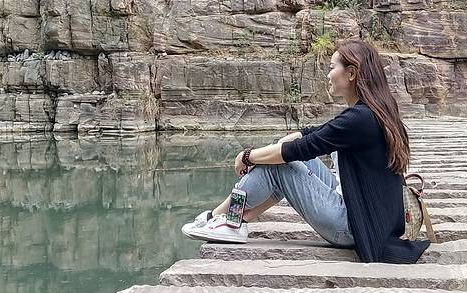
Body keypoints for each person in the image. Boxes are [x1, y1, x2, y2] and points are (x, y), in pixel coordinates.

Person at [182, 39, 430, 264]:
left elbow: (298, 149)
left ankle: (221, 217)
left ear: (351, 73)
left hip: (353, 228)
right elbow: (314, 134)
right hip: (367, 218)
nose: (328, 74)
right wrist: (280, 143)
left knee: (281, 165)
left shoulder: (360, 119)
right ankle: (236, 221)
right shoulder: (372, 112)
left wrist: (247, 156)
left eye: (332, 67)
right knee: (286, 158)